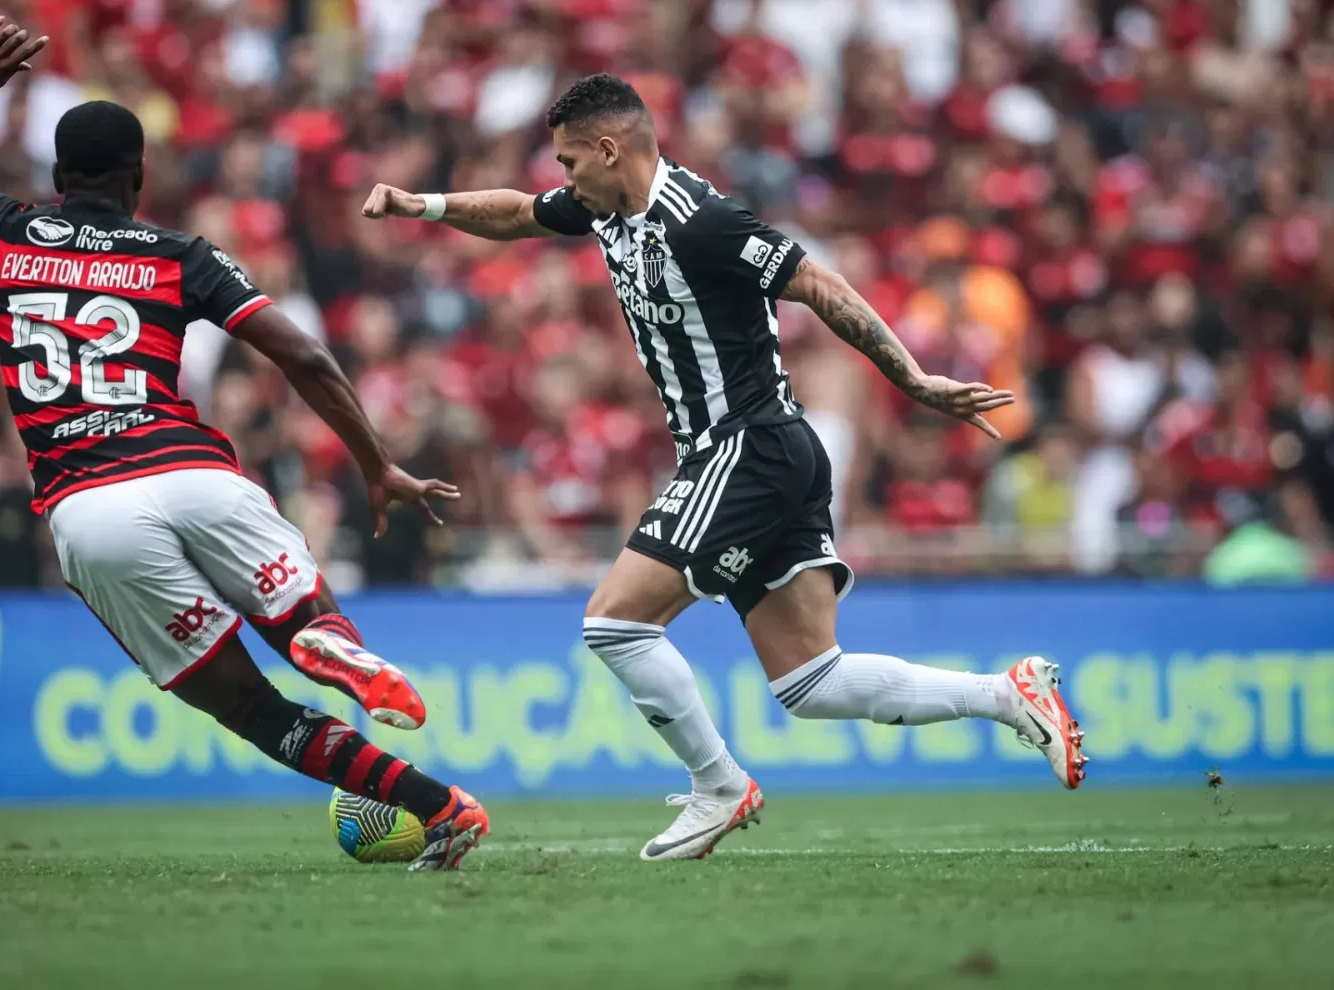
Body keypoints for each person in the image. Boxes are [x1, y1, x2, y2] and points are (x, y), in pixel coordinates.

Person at [363, 73, 1086, 861]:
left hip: (748, 445)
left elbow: (814, 281)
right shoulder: (605, 208)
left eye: (570, 162)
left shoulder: (700, 222)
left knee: (613, 620)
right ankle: (1009, 696)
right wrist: (422, 207)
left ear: (611, 150)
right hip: (766, 453)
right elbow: (514, 212)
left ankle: (718, 785)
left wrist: (912, 377)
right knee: (813, 684)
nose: (563, 180)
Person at [0, 18, 487, 871]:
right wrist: (375, 464)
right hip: (195, 473)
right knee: (298, 622)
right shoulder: (178, 254)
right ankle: (320, 634)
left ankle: (442, 808)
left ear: (56, 177)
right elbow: (302, 352)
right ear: (139, 179)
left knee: (253, 709)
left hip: (89, 509)